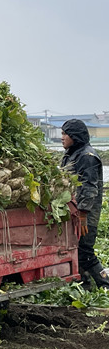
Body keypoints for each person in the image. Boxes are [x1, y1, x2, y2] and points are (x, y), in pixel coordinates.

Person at [61, 119, 109, 290]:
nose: (62, 137)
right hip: (75, 211)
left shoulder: (86, 156)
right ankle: (85, 285)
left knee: (85, 251)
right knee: (77, 249)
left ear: (75, 136)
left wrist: (82, 215)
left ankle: (105, 284)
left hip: (86, 213)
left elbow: (88, 188)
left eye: (65, 134)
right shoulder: (71, 154)